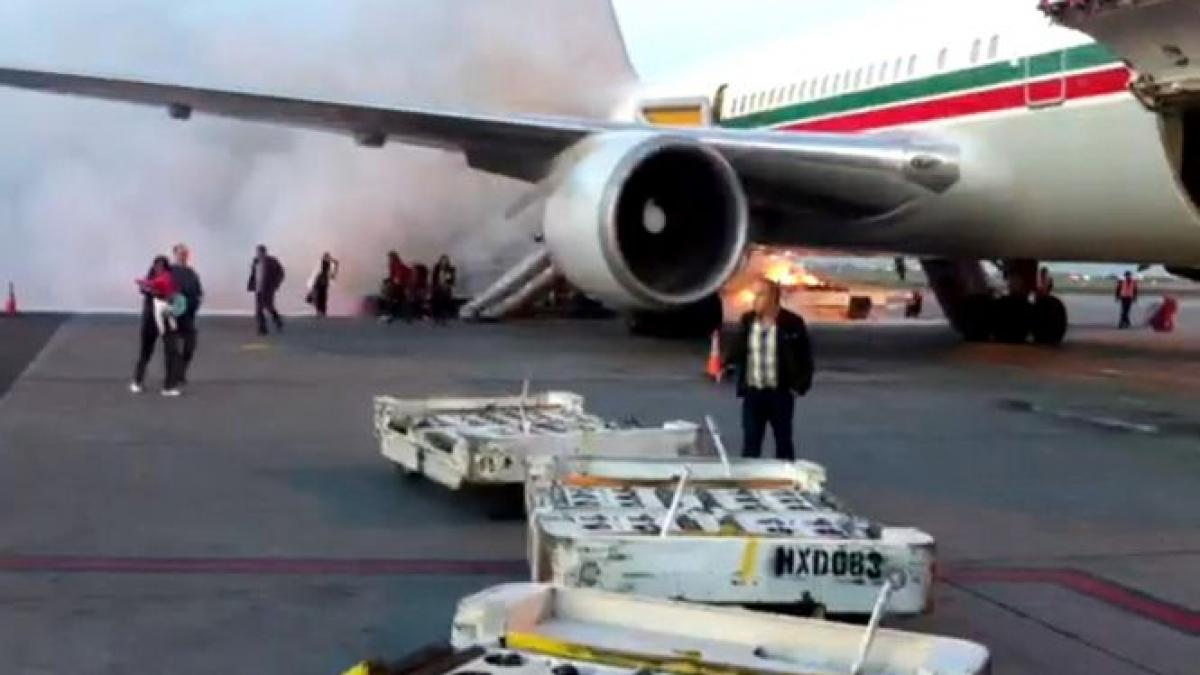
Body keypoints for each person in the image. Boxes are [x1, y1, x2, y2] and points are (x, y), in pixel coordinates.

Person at [724, 280, 814, 460]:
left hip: (779, 393)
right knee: (751, 442)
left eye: (760, 295)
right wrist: (727, 365)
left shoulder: (792, 323)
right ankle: (748, 480)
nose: (754, 300)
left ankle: (786, 478)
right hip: (753, 392)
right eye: (754, 295)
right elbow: (739, 347)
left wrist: (799, 386)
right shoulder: (748, 320)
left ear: (773, 298)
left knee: (783, 441)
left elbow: (805, 357)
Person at [131, 255, 184, 397]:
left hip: (167, 317)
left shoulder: (170, 278)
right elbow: (143, 287)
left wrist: (171, 298)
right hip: (151, 319)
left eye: (162, 266)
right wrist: (152, 289)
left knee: (172, 351)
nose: (159, 268)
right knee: (146, 351)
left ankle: (169, 386)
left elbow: (177, 296)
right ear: (154, 267)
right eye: (157, 266)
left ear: (166, 268)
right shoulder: (150, 280)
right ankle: (137, 381)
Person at [170, 244, 203, 385]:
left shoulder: (191, 273)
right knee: (173, 345)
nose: (183, 256)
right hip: (173, 314)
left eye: (185, 254)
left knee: (190, 344)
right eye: (181, 253)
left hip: (188, 315)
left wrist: (197, 303)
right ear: (175, 254)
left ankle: (181, 371)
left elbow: (198, 291)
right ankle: (175, 373)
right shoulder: (169, 272)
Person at [247, 244, 285, 335]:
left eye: (260, 252)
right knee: (259, 309)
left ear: (264, 252)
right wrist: (251, 284)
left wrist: (276, 284)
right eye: (257, 252)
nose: (258, 254)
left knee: (269, 306)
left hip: (268, 289)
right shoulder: (255, 261)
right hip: (258, 289)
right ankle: (262, 328)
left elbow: (281, 273)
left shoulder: (272, 261)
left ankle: (277, 320)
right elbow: (253, 274)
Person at [306, 252, 339, 317]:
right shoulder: (322, 271)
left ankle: (320, 312)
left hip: (322, 283)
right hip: (321, 283)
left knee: (321, 298)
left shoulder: (324, 271)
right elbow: (335, 266)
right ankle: (320, 312)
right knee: (320, 298)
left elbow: (335, 265)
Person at [382, 251, 410, 323]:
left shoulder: (398, 265)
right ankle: (397, 313)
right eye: (390, 258)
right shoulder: (393, 265)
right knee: (397, 299)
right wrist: (389, 280)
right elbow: (393, 275)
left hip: (401, 285)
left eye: (391, 257)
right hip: (398, 285)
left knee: (396, 298)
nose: (390, 259)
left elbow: (399, 276)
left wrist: (395, 281)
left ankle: (395, 314)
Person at [431, 254, 458, 323]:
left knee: (445, 302)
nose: (444, 262)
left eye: (445, 261)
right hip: (438, 287)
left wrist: (449, 284)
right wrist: (434, 286)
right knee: (437, 301)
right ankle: (436, 316)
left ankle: (444, 317)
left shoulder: (450, 269)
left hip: (446, 287)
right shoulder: (437, 268)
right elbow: (434, 278)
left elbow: (451, 279)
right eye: (443, 260)